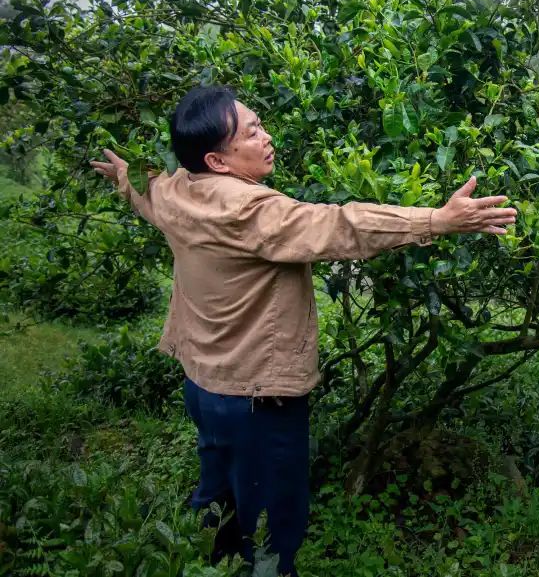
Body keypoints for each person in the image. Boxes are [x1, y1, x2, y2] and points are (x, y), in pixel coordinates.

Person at [89, 84, 516, 576]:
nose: (267, 137)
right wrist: (436, 220)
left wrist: (123, 176)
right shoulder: (251, 211)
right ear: (219, 160)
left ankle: (207, 562)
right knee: (274, 521)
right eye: (251, 132)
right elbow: (341, 226)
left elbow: (146, 191)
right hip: (257, 399)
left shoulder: (175, 191)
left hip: (203, 386)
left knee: (217, 497)